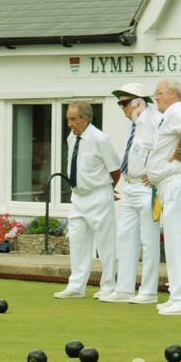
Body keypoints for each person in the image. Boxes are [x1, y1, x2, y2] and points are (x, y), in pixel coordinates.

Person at [146, 79, 181, 314]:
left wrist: (179, 151)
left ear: (172, 94)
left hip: (179, 182)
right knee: (174, 240)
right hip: (172, 184)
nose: (155, 97)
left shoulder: (177, 110)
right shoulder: (170, 113)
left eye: (158, 93)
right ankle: (178, 295)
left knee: (179, 240)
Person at [54, 101, 120, 299]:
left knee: (105, 243)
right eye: (68, 120)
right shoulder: (71, 139)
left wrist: (109, 190)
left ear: (86, 119)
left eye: (74, 119)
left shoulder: (100, 139)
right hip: (78, 196)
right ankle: (76, 286)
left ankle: (108, 286)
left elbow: (115, 170)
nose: (70, 124)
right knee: (77, 240)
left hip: (98, 194)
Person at [106, 83, 161, 303]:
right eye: (120, 104)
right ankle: (125, 288)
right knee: (126, 237)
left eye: (125, 103)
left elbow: (168, 147)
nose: (122, 108)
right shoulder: (136, 124)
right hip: (130, 185)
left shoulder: (156, 120)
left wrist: (156, 173)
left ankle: (148, 291)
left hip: (147, 187)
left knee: (149, 240)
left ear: (139, 101)